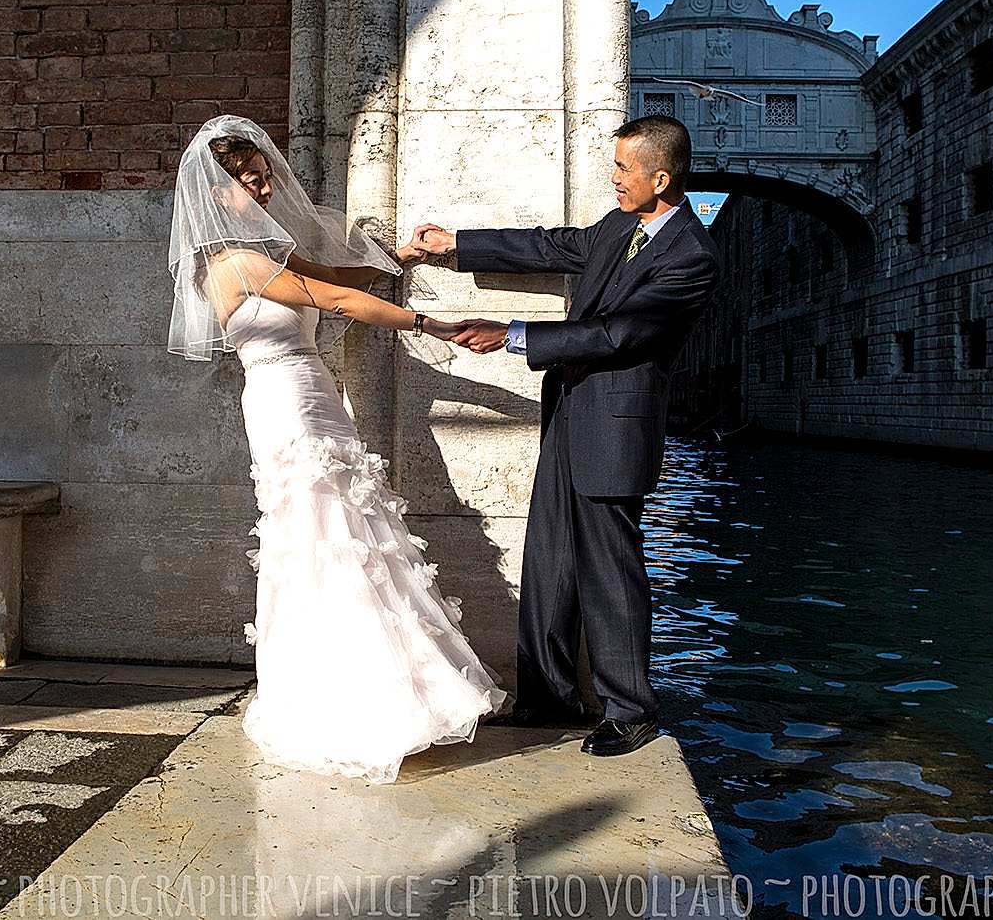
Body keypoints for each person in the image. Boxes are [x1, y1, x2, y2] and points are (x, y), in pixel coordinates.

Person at [167, 115, 508, 785]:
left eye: (267, 178)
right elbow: (335, 294)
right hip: (286, 402)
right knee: (321, 532)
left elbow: (340, 271)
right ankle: (349, 703)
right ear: (219, 194)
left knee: (346, 529)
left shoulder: (268, 256)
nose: (266, 190)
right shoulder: (236, 264)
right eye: (252, 183)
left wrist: (404, 258)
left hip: (309, 393)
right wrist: (432, 322)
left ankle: (385, 688)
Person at [410, 115, 716, 758]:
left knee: (609, 569)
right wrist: (454, 245)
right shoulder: (618, 227)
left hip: (616, 431)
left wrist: (512, 333)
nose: (613, 177)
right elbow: (553, 247)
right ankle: (547, 698)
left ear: (660, 178)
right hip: (570, 414)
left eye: (623, 169)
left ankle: (631, 711)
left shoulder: (690, 255)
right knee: (548, 559)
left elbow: (619, 334)